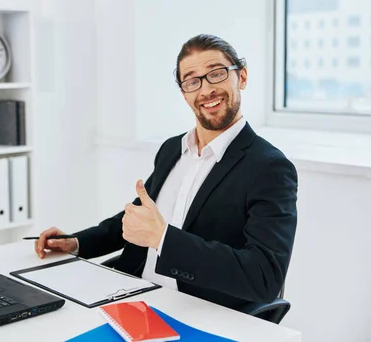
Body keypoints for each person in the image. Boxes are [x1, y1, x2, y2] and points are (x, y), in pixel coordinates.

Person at [34, 34, 298, 311]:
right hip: (132, 296)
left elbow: (265, 276)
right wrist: (76, 242)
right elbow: (138, 220)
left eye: (217, 74)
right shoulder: (173, 149)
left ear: (241, 77)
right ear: (184, 93)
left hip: (196, 310)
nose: (206, 90)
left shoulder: (269, 168)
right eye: (193, 81)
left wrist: (163, 238)